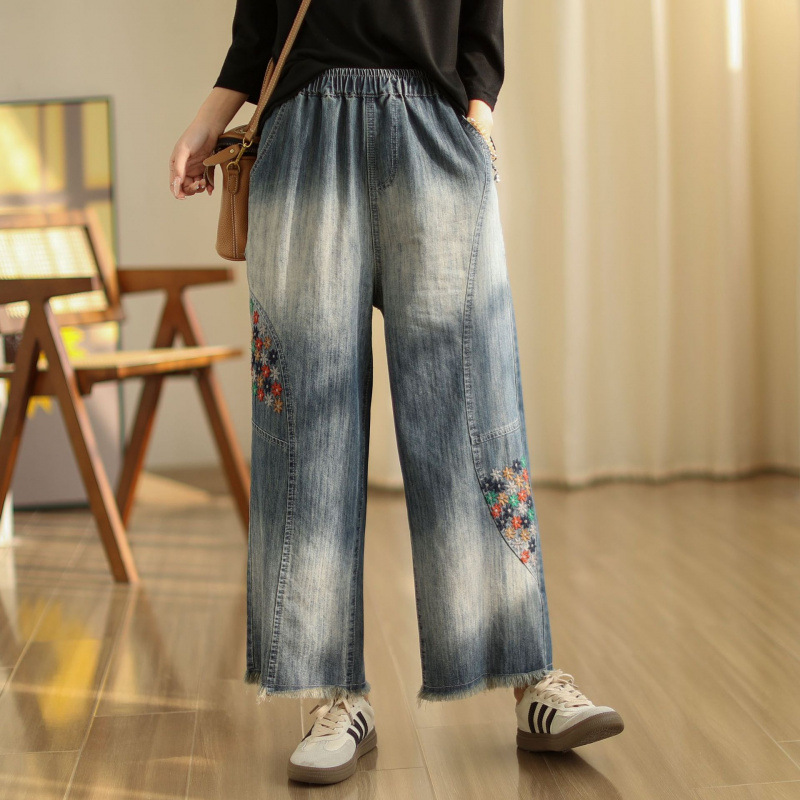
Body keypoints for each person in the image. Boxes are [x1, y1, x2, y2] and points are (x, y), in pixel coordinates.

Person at [169, 0, 624, 786]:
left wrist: (475, 126)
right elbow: (257, 30)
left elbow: (482, 24)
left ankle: (528, 679)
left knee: (473, 414)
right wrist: (207, 122)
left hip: (434, 131)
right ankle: (332, 698)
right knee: (306, 426)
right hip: (304, 136)